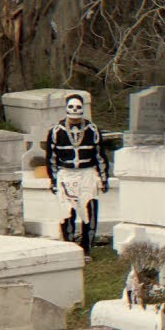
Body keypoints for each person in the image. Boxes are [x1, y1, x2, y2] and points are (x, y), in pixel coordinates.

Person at [45, 93, 109, 257]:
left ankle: (86, 248)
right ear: (66, 108)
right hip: (66, 174)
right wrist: (53, 180)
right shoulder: (56, 131)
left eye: (78, 107)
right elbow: (51, 158)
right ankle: (70, 247)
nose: (74, 110)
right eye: (71, 107)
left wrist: (103, 178)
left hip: (87, 173)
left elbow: (100, 155)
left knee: (89, 210)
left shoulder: (92, 130)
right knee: (67, 212)